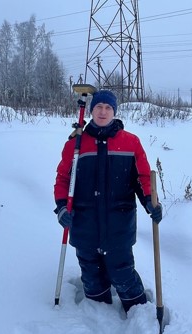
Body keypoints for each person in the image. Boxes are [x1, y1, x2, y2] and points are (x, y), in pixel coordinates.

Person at [53, 89, 162, 314]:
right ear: (91, 110)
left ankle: (138, 311)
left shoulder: (130, 142)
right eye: (99, 107)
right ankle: (98, 311)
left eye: (108, 108)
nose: (103, 112)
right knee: (91, 272)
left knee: (122, 271)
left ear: (115, 111)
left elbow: (142, 178)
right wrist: (62, 207)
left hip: (118, 224)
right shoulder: (75, 145)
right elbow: (64, 178)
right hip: (84, 223)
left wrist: (151, 202)